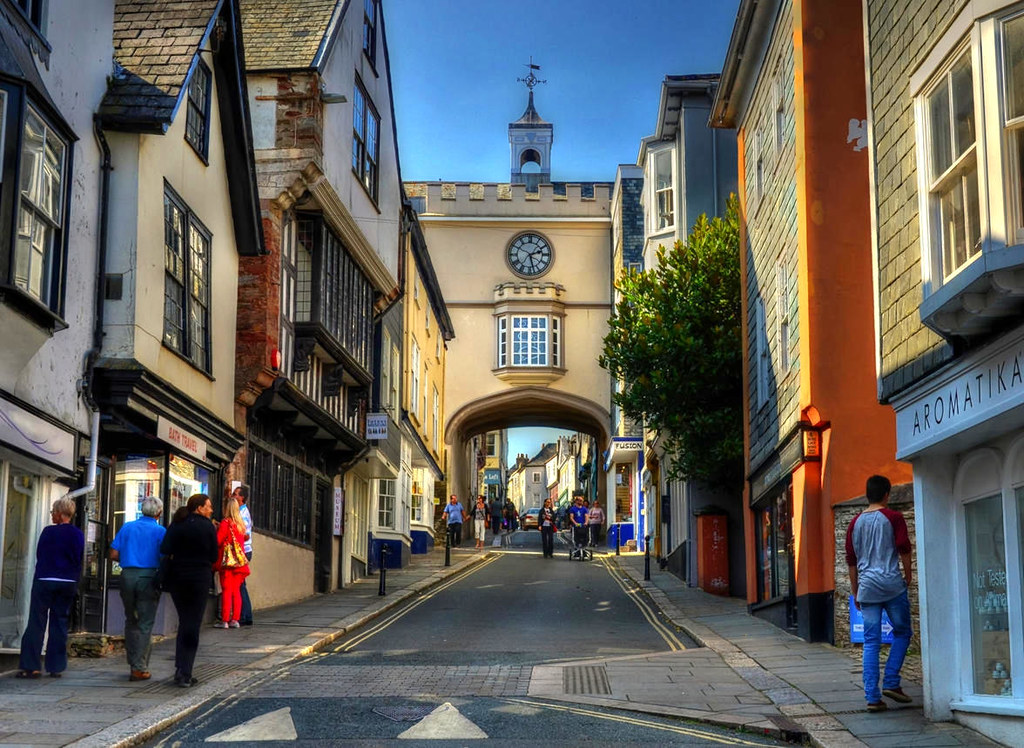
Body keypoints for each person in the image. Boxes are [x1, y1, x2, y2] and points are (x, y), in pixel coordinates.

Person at [845, 474, 914, 712]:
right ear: (887, 494)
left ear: (867, 495)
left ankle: (873, 698)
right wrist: (908, 575)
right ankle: (892, 682)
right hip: (892, 585)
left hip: (867, 587)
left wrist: (856, 591)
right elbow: (904, 547)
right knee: (902, 632)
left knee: (871, 642)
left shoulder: (854, 523)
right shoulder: (894, 518)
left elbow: (851, 560)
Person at [17, 497, 84, 679]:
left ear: (60, 514)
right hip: (67, 581)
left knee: (36, 621)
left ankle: (31, 666)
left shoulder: (48, 532)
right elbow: (78, 558)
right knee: (59, 622)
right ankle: (56, 666)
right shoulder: (77, 534)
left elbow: (40, 554)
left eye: (53, 512)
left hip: (45, 579)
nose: (52, 515)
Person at [160, 493, 217, 687]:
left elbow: (165, 548)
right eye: (208, 506)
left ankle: (180, 668)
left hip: (178, 578)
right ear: (199, 508)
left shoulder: (178, 523)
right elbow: (214, 556)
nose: (211, 510)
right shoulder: (207, 527)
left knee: (184, 621)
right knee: (192, 624)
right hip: (199, 578)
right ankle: (185, 672)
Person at [109, 496, 166, 681]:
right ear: (159, 512)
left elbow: (113, 553)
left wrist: (129, 558)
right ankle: (138, 667)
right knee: (145, 622)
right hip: (148, 576)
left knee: (130, 619)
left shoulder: (127, 527)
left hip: (127, 575)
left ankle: (133, 661)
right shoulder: (160, 531)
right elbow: (164, 556)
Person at [214, 497, 251, 628]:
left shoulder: (226, 523)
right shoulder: (241, 525)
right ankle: (235, 619)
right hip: (239, 563)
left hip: (228, 563)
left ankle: (224, 620)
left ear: (227, 508)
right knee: (236, 591)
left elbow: (218, 541)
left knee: (227, 591)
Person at [232, 484, 254, 626]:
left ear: (242, 498)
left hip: (243, 551)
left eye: (235, 494)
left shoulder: (242, 514)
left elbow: (244, 534)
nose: (233, 496)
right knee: (240, 584)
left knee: (239, 585)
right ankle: (245, 614)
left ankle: (245, 615)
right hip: (243, 550)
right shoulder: (240, 512)